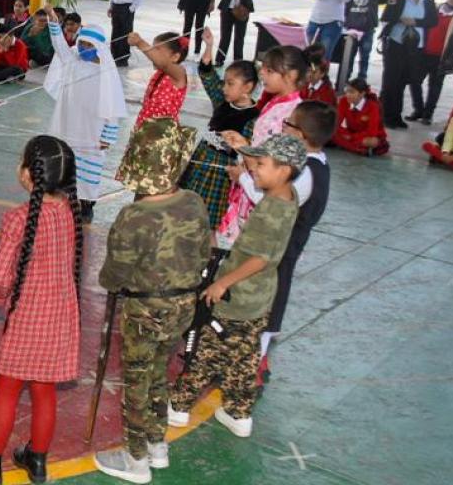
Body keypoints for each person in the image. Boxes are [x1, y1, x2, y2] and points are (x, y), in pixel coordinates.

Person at [93, 118, 208, 484]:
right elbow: (205, 251)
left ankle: (136, 456)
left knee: (138, 380)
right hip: (184, 305)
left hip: (145, 309)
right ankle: (158, 444)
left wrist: (111, 281)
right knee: (160, 371)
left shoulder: (134, 217)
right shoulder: (193, 202)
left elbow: (114, 275)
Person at [169, 133, 304, 440]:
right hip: (260, 296)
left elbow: (260, 258)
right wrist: (245, 158)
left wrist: (222, 283)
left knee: (207, 351)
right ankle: (238, 412)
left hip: (238, 294)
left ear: (283, 170)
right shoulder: (287, 196)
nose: (253, 168)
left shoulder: (272, 209)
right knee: (244, 356)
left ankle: (178, 407)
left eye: (260, 164)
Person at [0, 135, 82, 485]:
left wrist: (0, 299)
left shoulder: (18, 218)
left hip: (27, 317)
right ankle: (37, 460)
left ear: (27, 174)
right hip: (60, 317)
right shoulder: (71, 213)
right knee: (44, 390)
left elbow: (1, 275)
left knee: (7, 389)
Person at [261, 101, 335, 367]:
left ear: (301, 134)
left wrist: (247, 177)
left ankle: (258, 354)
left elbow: (273, 201)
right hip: (292, 242)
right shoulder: (319, 164)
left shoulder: (304, 173)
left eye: (288, 123)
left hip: (282, 243)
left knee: (271, 292)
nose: (284, 127)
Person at [42, 7, 127, 221]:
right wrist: (53, 23)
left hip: (92, 132)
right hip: (68, 126)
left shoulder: (107, 73)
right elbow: (60, 46)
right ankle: (63, 200)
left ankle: (87, 204)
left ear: (99, 48)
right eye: (82, 44)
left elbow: (113, 106)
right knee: (65, 165)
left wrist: (108, 135)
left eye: (89, 46)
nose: (84, 48)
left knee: (88, 171)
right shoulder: (72, 61)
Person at [216, 46, 306, 248]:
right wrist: (244, 145)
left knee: (250, 249)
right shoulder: (275, 102)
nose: (262, 74)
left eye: (270, 71)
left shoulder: (292, 112)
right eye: (263, 68)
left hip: (262, 187)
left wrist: (244, 150)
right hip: (252, 179)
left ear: (291, 75)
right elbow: (262, 144)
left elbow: (276, 160)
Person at [179, 31, 260, 229]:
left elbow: (249, 150)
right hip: (201, 159)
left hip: (220, 170)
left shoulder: (253, 116)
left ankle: (210, 258)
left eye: (231, 84)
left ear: (248, 87)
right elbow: (207, 74)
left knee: (207, 223)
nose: (224, 87)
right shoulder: (222, 101)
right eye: (225, 82)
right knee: (185, 211)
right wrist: (209, 46)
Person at [378, 0, 437, 129]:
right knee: (391, 81)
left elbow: (433, 21)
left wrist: (415, 22)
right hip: (396, 43)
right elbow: (386, 17)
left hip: (415, 46)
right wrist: (396, 8)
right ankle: (387, 116)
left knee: (403, 81)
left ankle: (396, 116)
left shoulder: (428, 0)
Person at [126, 31, 188, 128]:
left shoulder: (179, 73)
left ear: (175, 57)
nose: (152, 54)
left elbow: (163, 63)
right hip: (144, 129)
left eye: (156, 50)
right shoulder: (159, 73)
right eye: (152, 49)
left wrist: (140, 43)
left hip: (163, 134)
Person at [345, 0, 385, 81]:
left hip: (367, 29)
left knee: (365, 56)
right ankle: (345, 77)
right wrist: (345, 22)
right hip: (352, 29)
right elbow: (347, 6)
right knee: (349, 55)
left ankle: (362, 78)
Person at [332, 78, 388, 157]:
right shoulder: (343, 101)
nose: (348, 94)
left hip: (368, 136)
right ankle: (358, 149)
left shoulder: (373, 107)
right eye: (347, 91)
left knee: (372, 142)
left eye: (352, 92)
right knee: (332, 133)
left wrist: (351, 137)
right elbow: (336, 123)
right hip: (352, 134)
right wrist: (345, 134)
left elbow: (372, 132)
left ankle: (349, 146)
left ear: (362, 93)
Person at [216, 0, 256, 66]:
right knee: (225, 37)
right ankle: (219, 59)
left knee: (239, 37)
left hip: (242, 11)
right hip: (227, 9)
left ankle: (238, 61)